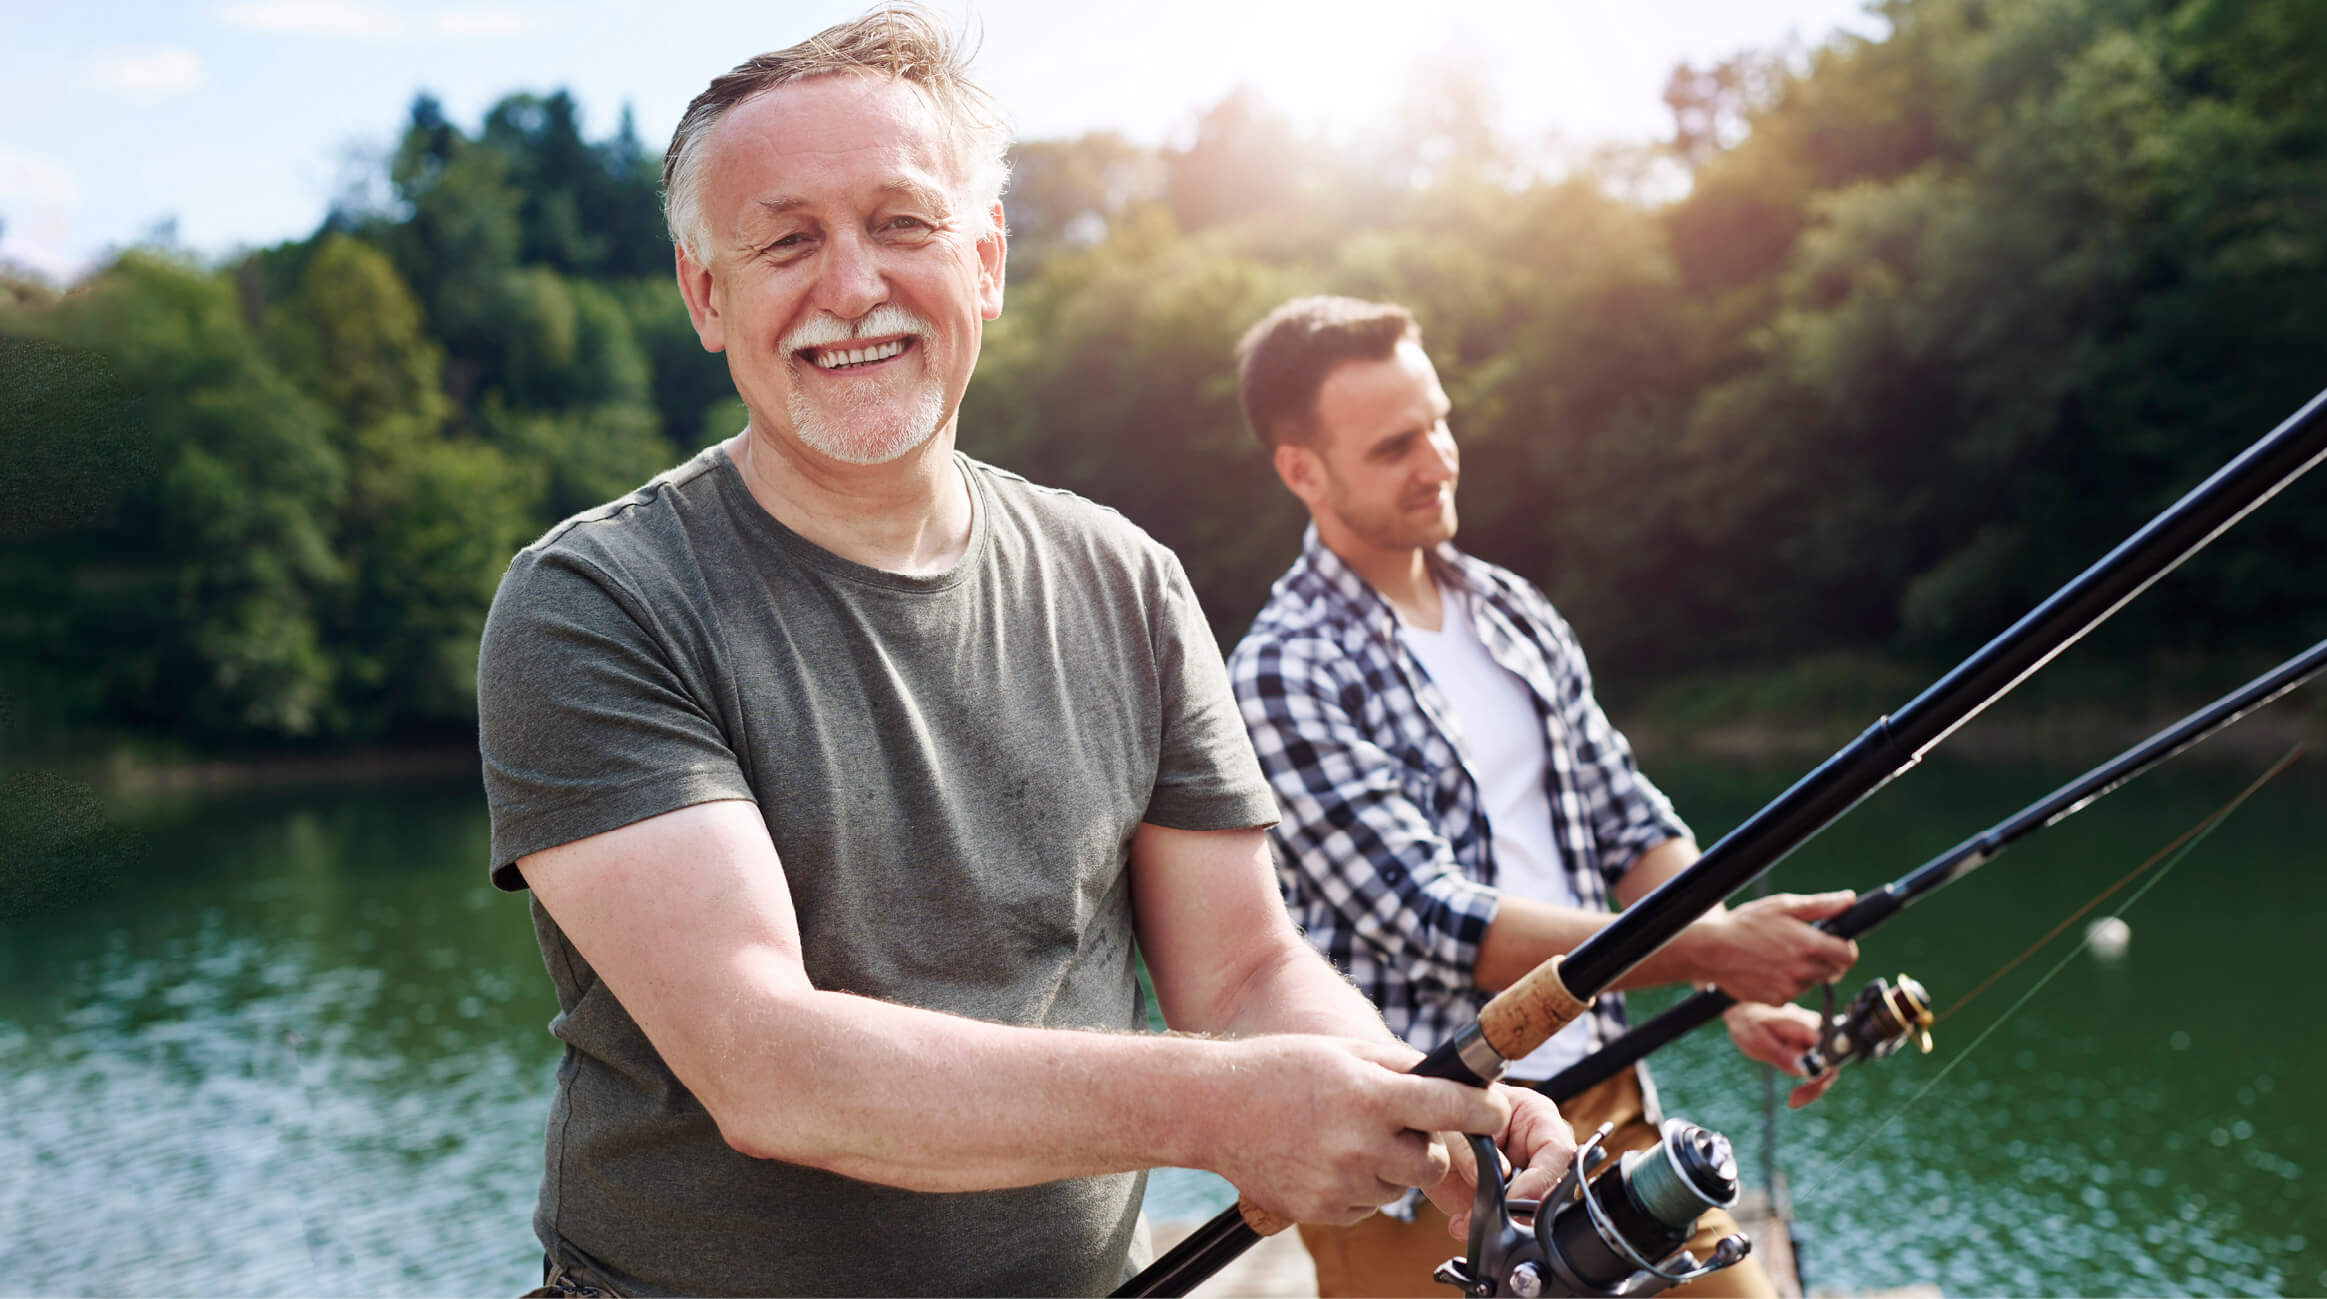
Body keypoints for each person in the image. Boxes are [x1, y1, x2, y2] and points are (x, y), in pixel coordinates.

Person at [474, 17, 1571, 1297]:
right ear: (706, 296)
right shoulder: (595, 603)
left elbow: (1246, 970)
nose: (851, 287)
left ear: (985, 259)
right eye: (786, 241)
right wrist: (1223, 1108)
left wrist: (1411, 1098)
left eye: (903, 223)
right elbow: (770, 1069)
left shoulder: (1127, 580)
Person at [1227, 296, 1865, 1298]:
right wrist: (1710, 953)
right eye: (1395, 446)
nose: (1437, 459)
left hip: (1606, 1105)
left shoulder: (1510, 610)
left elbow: (1631, 821)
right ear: (1302, 469)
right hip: (1420, 1157)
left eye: (1437, 422)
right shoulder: (1282, 670)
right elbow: (1432, 919)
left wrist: (1730, 978)